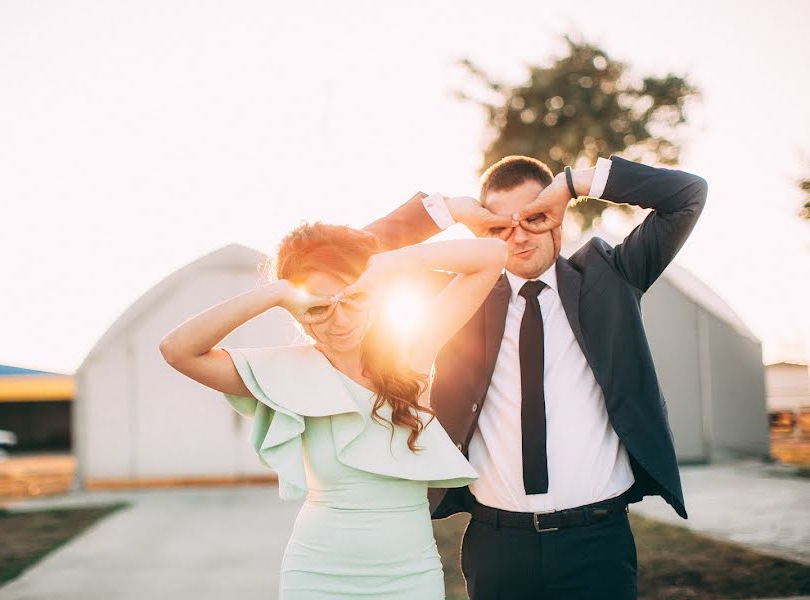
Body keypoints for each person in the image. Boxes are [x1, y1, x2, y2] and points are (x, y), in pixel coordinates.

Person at [357, 155, 708, 599]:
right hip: (498, 545)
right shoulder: (461, 294)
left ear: (558, 216)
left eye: (533, 218)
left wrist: (574, 182)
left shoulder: (612, 275)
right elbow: (353, 260)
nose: (518, 236)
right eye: (500, 226)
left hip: (597, 543)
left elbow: (688, 196)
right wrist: (451, 211)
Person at [158, 222, 509, 599]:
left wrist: (385, 265)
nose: (339, 320)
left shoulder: (413, 354)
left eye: (352, 299)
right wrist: (277, 292)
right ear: (297, 311)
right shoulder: (284, 373)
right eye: (318, 307)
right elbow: (177, 349)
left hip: (410, 576)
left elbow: (491, 257)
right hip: (318, 576)